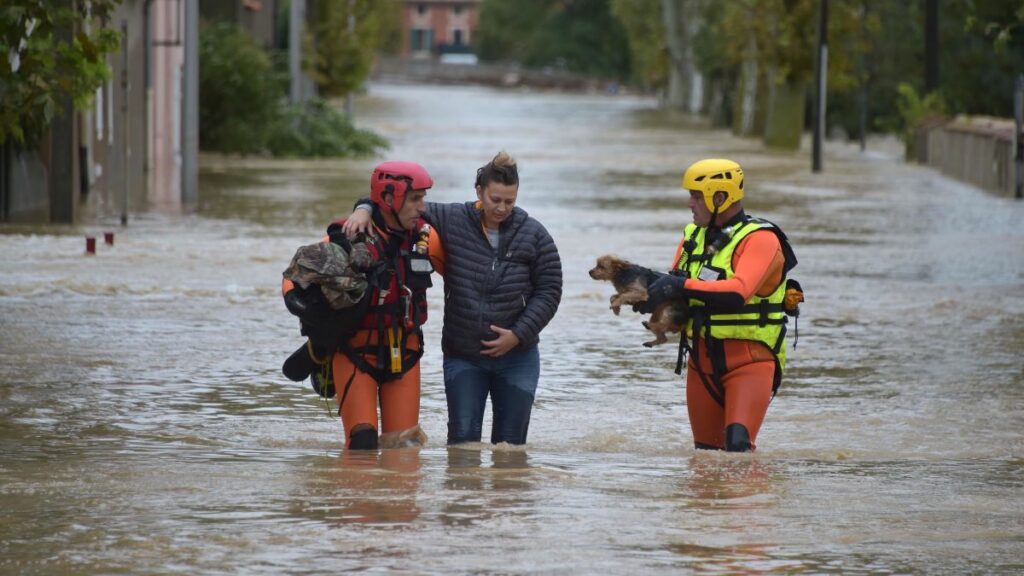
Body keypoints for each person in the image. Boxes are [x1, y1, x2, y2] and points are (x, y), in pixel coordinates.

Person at [343, 152, 562, 445]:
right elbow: (399, 205)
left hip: (518, 358)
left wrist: (518, 334)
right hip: (464, 358)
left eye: (510, 201)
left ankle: (506, 494)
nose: (502, 208)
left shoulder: (535, 234)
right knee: (462, 447)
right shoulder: (451, 219)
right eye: (495, 199)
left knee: (510, 449)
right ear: (479, 192)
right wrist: (363, 208)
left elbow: (550, 291)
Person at [636, 158, 800, 452]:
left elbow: (738, 292)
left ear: (720, 197)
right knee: (706, 460)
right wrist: (652, 298)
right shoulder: (692, 236)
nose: (689, 203)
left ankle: (754, 499)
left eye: (696, 196)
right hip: (701, 362)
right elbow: (678, 287)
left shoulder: (761, 239)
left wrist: (679, 285)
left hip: (750, 362)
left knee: (737, 448)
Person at [282, 161, 439, 450]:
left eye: (423, 198)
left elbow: (465, 273)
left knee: (404, 447)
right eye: (415, 198)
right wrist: (302, 307)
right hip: (354, 353)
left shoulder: (427, 238)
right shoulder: (348, 235)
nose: (422, 206)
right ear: (390, 198)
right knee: (362, 442)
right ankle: (352, 494)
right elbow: (295, 276)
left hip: (405, 354)